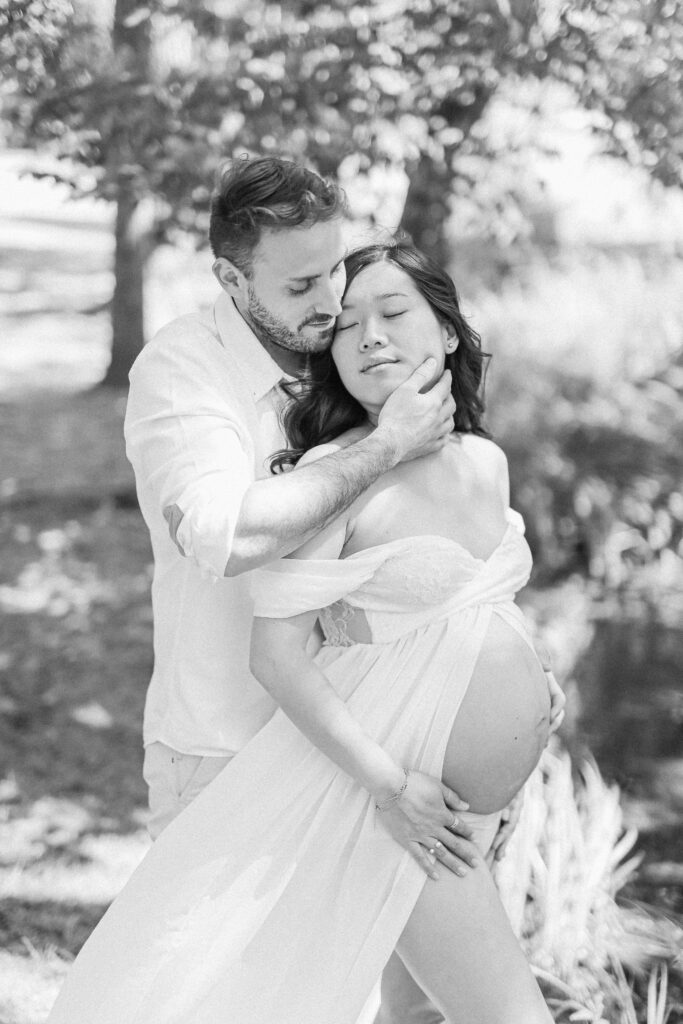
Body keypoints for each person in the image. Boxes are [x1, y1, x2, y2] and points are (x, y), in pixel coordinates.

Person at [47, 240, 562, 1024]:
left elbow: (475, 599)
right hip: (400, 807)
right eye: (347, 325)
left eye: (392, 313)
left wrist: (536, 677)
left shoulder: (480, 459)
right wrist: (392, 792)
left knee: (417, 1016)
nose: (369, 337)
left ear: (448, 331)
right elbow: (277, 653)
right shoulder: (335, 473)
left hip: (472, 809)